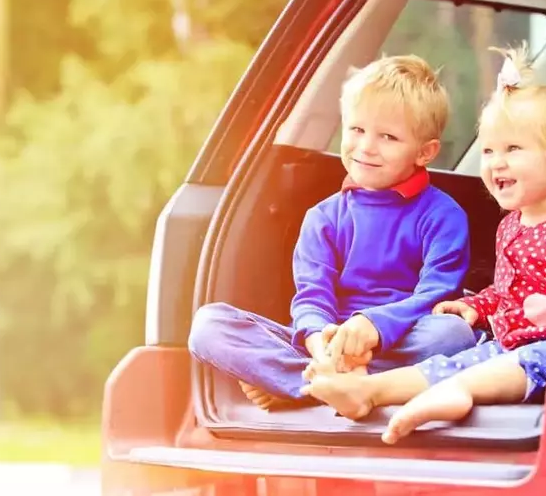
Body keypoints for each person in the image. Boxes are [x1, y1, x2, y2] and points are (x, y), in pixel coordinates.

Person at [300, 45, 546, 442]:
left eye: (512, 150)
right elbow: (510, 293)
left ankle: (456, 391)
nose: (494, 163)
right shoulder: (512, 226)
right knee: (459, 360)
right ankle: (367, 391)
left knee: (502, 358)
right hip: (508, 344)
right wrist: (477, 306)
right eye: (488, 150)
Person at [188, 55, 477, 410]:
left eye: (388, 136)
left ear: (425, 152)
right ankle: (332, 383)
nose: (366, 146)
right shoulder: (323, 218)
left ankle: (306, 387)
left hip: (401, 337)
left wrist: (372, 325)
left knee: (453, 333)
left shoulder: (443, 215)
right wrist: (319, 342)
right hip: (331, 343)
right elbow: (311, 297)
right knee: (209, 325)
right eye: (356, 130)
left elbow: (437, 295)